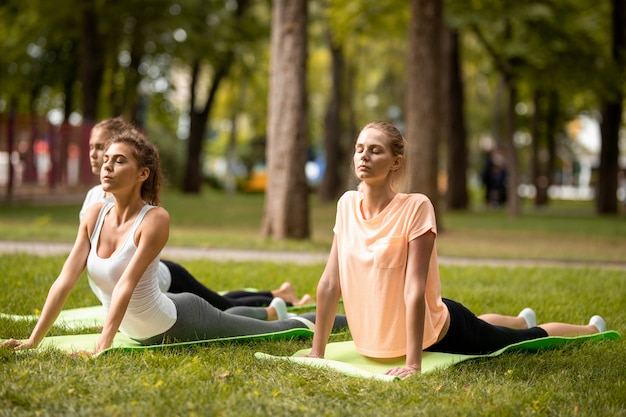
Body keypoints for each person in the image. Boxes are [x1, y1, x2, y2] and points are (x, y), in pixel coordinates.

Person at [305, 120, 607, 379]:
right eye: (360, 148)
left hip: (438, 332)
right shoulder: (346, 205)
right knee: (483, 322)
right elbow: (331, 282)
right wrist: (317, 352)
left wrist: (413, 363)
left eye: (375, 150)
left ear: (396, 162)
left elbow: (414, 289)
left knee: (519, 339)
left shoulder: (416, 207)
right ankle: (518, 317)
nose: (364, 156)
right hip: (403, 325)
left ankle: (590, 328)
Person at [1, 129, 346, 354]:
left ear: (142, 174)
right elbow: (65, 280)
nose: (107, 166)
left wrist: (101, 346)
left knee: (274, 331)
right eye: (106, 160)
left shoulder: (154, 219)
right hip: (147, 326)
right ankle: (270, 307)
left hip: (179, 319)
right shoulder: (93, 214)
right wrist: (33, 340)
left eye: (119, 160)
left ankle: (346, 321)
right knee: (232, 315)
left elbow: (126, 285)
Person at [81, 117, 312, 309]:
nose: (93, 154)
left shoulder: (134, 200)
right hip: (140, 282)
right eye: (91, 147)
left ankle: (284, 300)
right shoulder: (93, 198)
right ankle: (278, 292)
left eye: (100, 147)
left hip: (165, 279)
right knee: (219, 299)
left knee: (221, 305)